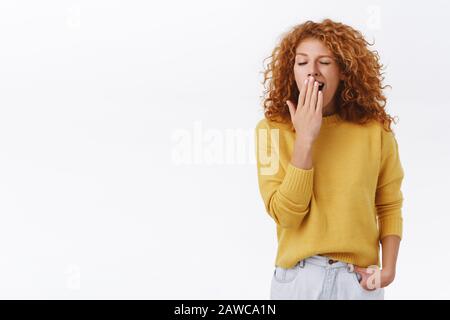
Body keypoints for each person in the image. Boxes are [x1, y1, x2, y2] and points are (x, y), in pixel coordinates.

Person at [255, 19, 404, 300]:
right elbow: (286, 216)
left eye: (324, 62)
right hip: (298, 280)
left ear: (344, 71)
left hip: (358, 281)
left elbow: (389, 204)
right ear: (292, 71)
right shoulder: (270, 131)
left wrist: (389, 270)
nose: (312, 71)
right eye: (302, 62)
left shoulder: (375, 132)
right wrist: (305, 139)